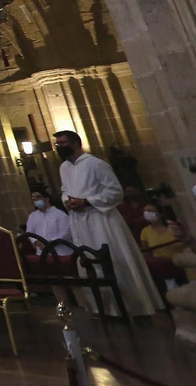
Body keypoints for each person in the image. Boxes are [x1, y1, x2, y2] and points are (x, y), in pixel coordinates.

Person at [55, 130, 163, 317]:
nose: (59, 147)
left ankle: (130, 307)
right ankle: (102, 308)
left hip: (100, 219)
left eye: (62, 143)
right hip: (79, 221)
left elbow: (115, 192)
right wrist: (68, 200)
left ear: (74, 143)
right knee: (89, 264)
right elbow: (65, 189)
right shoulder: (64, 167)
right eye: (57, 144)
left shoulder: (96, 164)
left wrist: (86, 201)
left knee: (113, 260)